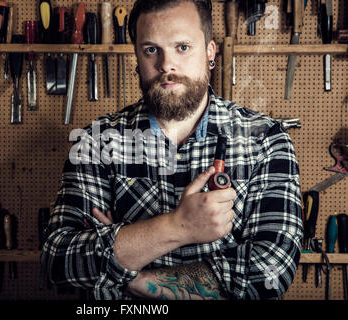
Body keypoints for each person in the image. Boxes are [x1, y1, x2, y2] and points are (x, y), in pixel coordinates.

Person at [42, 0, 303, 300]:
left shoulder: (265, 141)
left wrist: (133, 276)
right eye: (151, 49)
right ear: (137, 57)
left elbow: (271, 271)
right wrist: (179, 226)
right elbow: (59, 259)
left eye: (182, 47)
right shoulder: (97, 141)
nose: (166, 64)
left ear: (210, 53)